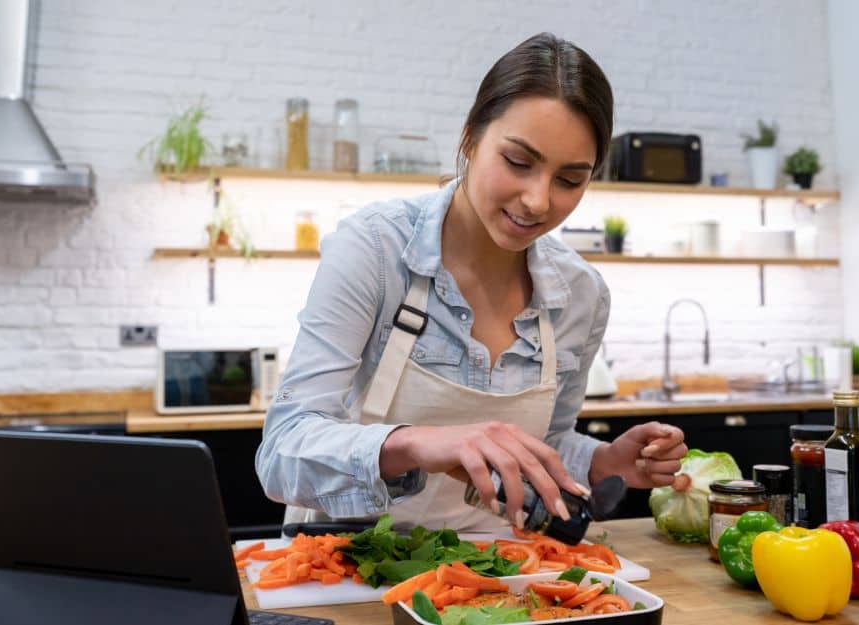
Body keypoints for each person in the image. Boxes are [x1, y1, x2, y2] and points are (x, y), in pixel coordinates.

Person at [256, 33, 688, 532]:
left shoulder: (581, 295)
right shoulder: (374, 250)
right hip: (346, 571)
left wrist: (603, 462)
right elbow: (283, 452)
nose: (538, 201)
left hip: (492, 583)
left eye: (570, 180)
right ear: (470, 138)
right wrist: (417, 442)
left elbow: (544, 446)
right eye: (518, 163)